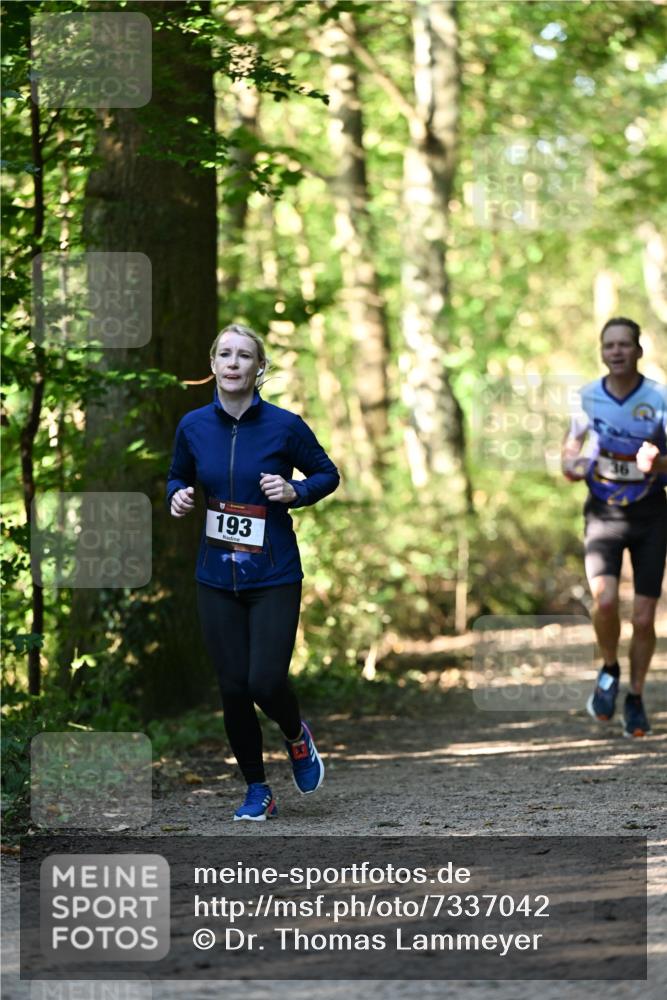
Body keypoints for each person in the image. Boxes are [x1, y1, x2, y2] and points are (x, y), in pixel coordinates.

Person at [167, 323, 340, 819]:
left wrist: (296, 492)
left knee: (265, 681)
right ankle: (256, 788)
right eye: (225, 354)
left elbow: (327, 473)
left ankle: (295, 734)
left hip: (274, 574)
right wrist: (176, 495)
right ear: (213, 365)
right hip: (215, 578)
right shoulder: (193, 426)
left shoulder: (284, 426)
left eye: (245, 355)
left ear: (259, 367)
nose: (234, 362)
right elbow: (179, 474)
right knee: (233, 687)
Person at [562, 316, 667, 737]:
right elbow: (570, 450)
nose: (617, 352)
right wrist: (572, 464)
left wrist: (656, 463)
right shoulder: (586, 397)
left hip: (650, 517)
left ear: (639, 351)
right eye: (610, 346)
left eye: (625, 344)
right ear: (602, 352)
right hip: (603, 514)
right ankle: (609, 670)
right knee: (604, 603)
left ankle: (636, 698)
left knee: (643, 619)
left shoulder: (659, 398)